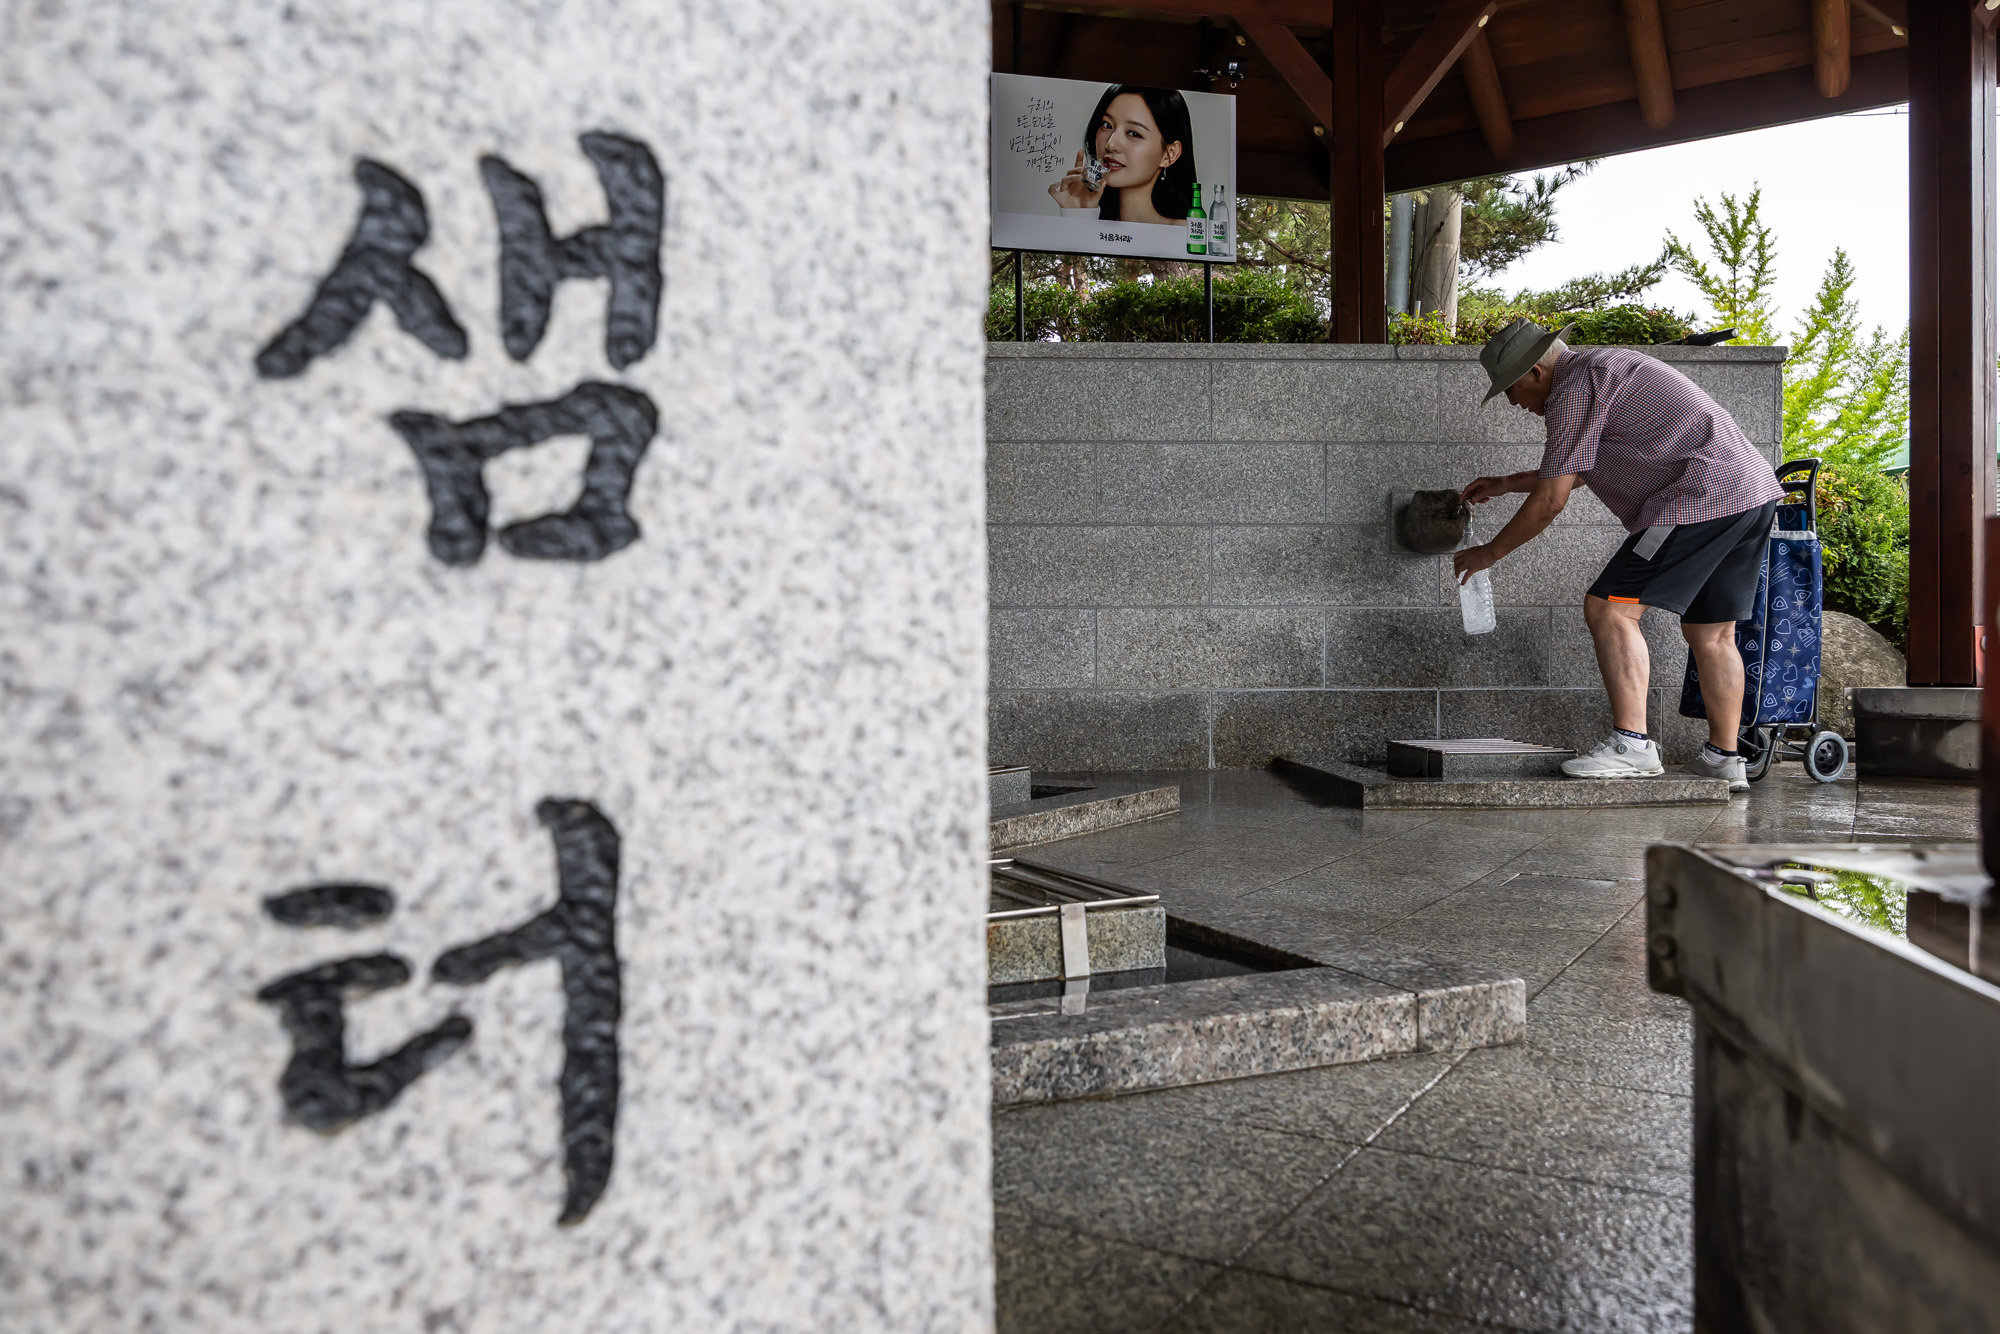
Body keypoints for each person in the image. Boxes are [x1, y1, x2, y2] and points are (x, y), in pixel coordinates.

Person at [1454, 318, 1784, 790]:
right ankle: (1723, 758)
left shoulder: (1573, 387)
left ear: (1535, 372)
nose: (1512, 401)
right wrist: (1507, 484)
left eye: (1510, 388)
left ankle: (1632, 744)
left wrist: (1490, 552)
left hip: (1698, 497)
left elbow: (1552, 500)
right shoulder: (1602, 370)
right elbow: (1584, 468)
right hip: (1749, 496)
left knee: (1610, 608)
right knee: (1711, 633)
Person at [1047, 85, 1197, 225]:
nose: (1111, 144)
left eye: (1134, 133)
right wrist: (1079, 218)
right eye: (1107, 125)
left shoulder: (1183, 234)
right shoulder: (1088, 218)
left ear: (1169, 154)